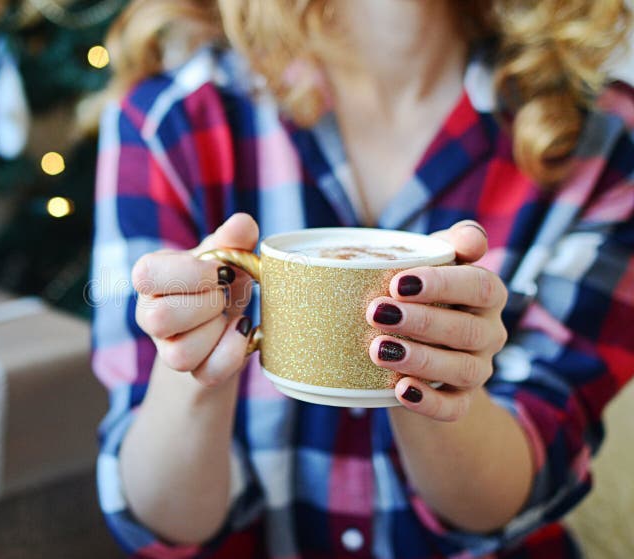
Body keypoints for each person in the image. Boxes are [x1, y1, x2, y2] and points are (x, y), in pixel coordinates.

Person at [88, 0, 634, 557]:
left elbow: (523, 488)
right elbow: (161, 518)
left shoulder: (608, 141)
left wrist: (432, 381)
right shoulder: (170, 120)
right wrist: (192, 368)